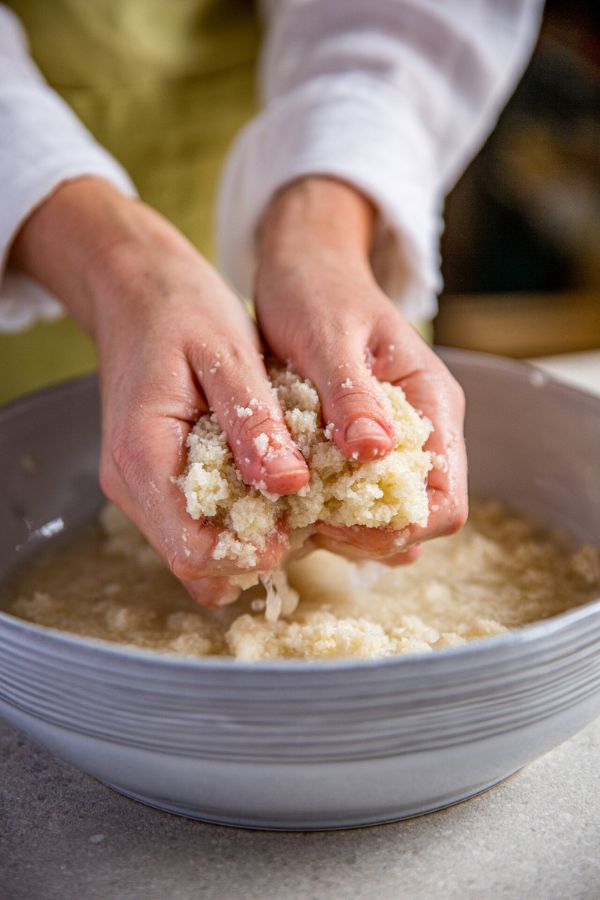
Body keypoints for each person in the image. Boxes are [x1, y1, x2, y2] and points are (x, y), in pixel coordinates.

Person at [0, 0, 543, 605]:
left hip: (324, 221)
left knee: (364, 451)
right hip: (25, 249)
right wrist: (119, 266)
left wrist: (322, 235)